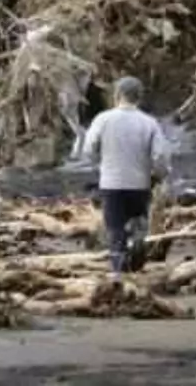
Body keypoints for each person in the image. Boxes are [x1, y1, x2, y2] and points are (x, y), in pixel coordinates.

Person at [76, 77, 169, 275]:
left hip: (111, 183)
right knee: (138, 226)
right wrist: (158, 175)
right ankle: (136, 261)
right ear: (139, 97)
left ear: (117, 95)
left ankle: (119, 271)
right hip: (140, 184)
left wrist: (101, 163)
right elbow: (160, 156)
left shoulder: (103, 119)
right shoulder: (149, 123)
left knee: (115, 230)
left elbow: (88, 150)